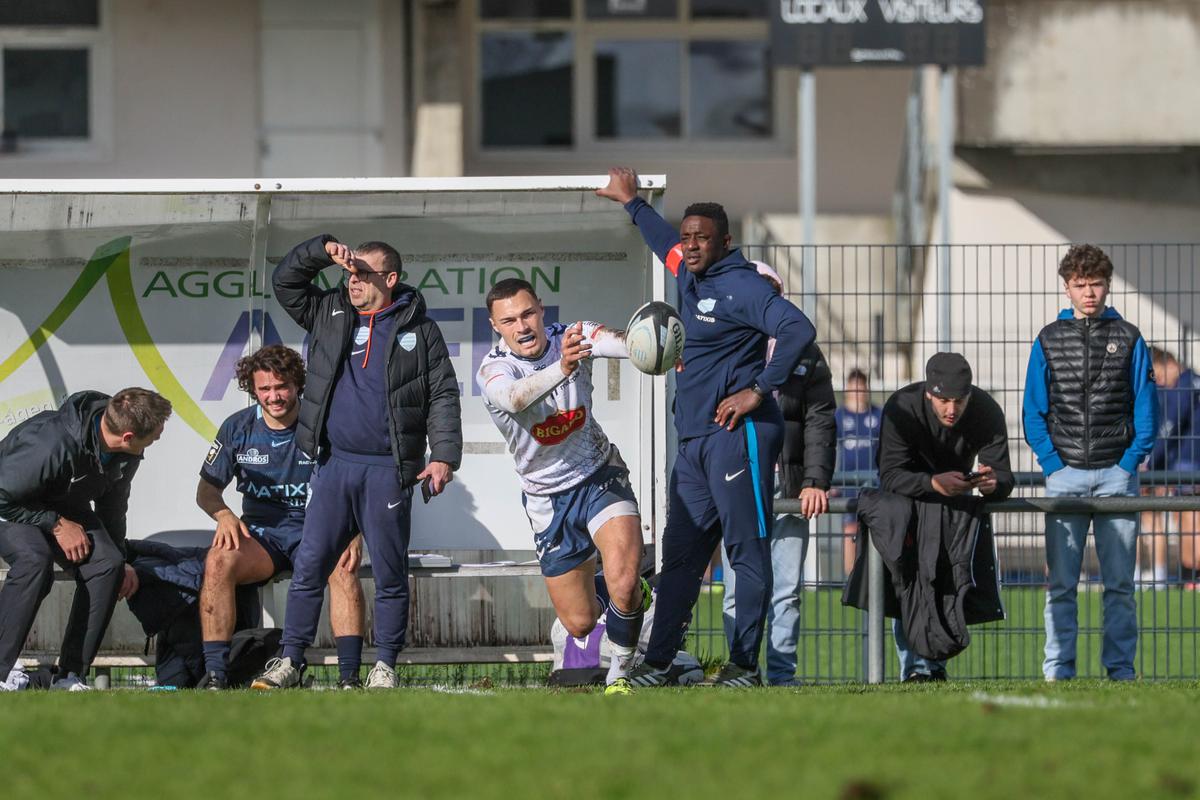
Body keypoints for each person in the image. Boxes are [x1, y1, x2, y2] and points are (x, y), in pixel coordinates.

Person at [597, 167, 816, 687]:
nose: (691, 246)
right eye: (689, 236)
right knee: (680, 557)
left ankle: (744, 667)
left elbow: (797, 328)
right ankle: (659, 663)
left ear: (726, 243)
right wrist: (632, 202)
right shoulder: (689, 272)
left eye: (702, 238)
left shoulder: (742, 285)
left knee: (745, 551)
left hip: (740, 436)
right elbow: (663, 242)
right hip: (695, 442)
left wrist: (757, 389)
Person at [253, 235, 462, 690]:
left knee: (389, 573)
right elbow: (284, 282)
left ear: (391, 279)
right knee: (309, 567)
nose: (354, 281)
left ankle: (384, 664)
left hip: (386, 469)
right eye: (351, 273)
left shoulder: (421, 329)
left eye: (364, 274)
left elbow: (443, 394)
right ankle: (290, 660)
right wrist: (322, 250)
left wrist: (444, 456)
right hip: (334, 464)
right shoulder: (328, 311)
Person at [477, 278, 651, 696]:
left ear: (541, 308)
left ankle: (620, 674)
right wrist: (564, 368)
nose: (522, 326)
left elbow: (625, 343)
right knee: (580, 622)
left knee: (623, 582)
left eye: (528, 314)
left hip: (599, 474)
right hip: (547, 497)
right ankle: (626, 594)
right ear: (495, 326)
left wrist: (655, 346)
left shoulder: (573, 336)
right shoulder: (493, 370)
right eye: (509, 320)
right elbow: (516, 399)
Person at [196, 345, 366, 689]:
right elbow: (206, 491)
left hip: (319, 532)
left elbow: (359, 484)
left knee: (344, 568)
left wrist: (355, 532)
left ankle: (349, 677)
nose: (273, 396)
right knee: (217, 561)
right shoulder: (237, 427)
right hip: (262, 538)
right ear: (253, 389)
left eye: (281, 387)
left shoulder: (326, 424)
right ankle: (215, 676)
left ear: (298, 384)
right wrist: (224, 514)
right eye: (265, 389)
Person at [1024, 243, 1157, 682]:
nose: (1089, 293)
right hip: (1064, 478)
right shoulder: (1047, 339)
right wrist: (1052, 464)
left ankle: (1120, 671)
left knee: (1120, 586)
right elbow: (1033, 412)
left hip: (1117, 476)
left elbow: (1146, 411)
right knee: (1061, 586)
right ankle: (1058, 671)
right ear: (1066, 287)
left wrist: (1128, 464)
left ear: (1108, 285)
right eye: (1080, 284)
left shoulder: (1130, 338)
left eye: (1096, 284)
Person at [0, 388, 171, 691]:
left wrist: (121, 560)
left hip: (58, 504)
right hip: (9, 505)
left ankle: (69, 676)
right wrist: (55, 525)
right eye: (155, 435)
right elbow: (3, 495)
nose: (159, 437)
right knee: (34, 562)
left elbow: (112, 507)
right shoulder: (50, 444)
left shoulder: (127, 452)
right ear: (128, 436)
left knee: (108, 565)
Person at [720, 262, 836, 686]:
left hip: (790, 486)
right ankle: (742, 669)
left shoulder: (805, 352)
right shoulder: (722, 346)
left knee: (786, 589)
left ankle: (783, 676)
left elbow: (821, 419)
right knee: (737, 588)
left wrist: (815, 481)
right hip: (737, 483)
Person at [869, 352, 1013, 681]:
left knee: (948, 583)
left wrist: (993, 484)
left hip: (954, 510)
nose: (952, 409)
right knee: (910, 584)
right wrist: (933, 483)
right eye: (944, 400)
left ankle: (933, 666)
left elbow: (1003, 474)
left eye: (959, 401)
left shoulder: (987, 410)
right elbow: (890, 475)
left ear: (970, 395)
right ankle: (916, 668)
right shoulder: (901, 407)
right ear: (928, 394)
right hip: (906, 507)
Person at [1146, 348, 1200, 586]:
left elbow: (1169, 427)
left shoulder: (1184, 387)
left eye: (1158, 375)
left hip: (1189, 464)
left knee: (1189, 521)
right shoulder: (1194, 382)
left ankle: (1192, 577)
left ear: (1169, 363)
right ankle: (1190, 576)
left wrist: (1151, 464)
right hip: (1188, 462)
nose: (1159, 383)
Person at [834, 368, 882, 577]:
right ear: (847, 390)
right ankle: (851, 579)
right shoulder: (839, 416)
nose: (857, 393)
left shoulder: (878, 414)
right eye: (853, 389)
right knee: (851, 531)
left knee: (876, 531)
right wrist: (831, 481)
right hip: (848, 485)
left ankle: (875, 579)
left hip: (875, 484)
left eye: (861, 388)